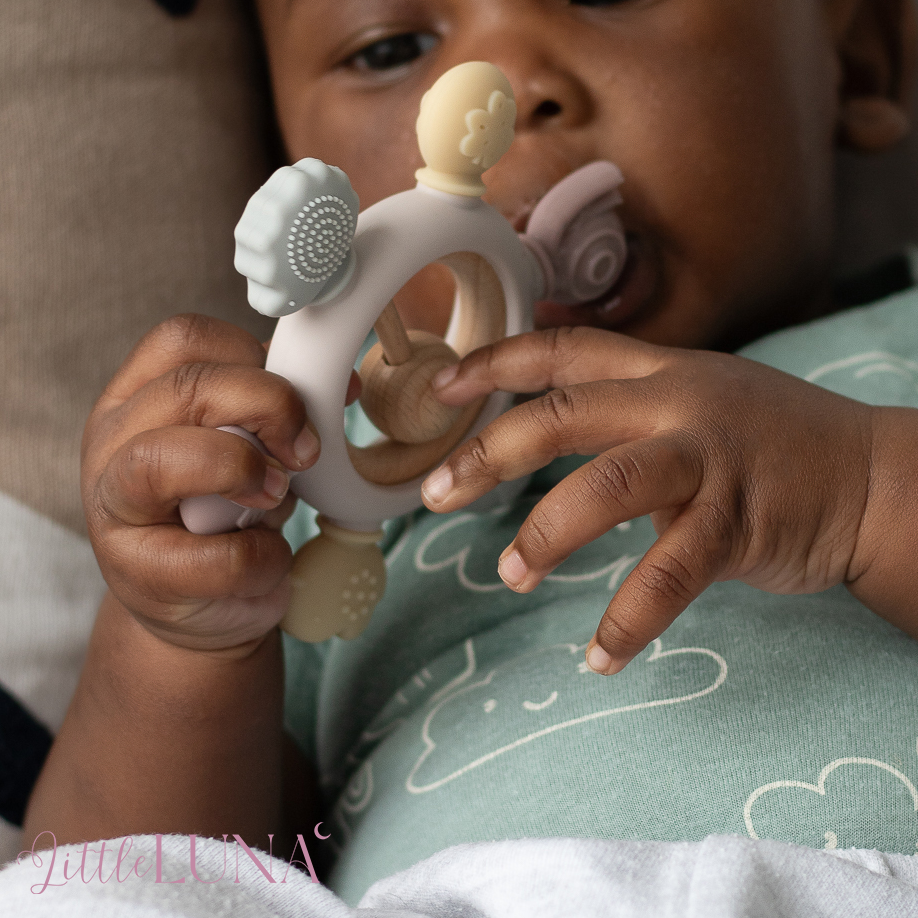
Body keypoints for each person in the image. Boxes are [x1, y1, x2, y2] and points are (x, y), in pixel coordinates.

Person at [17, 0, 918, 904]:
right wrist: (178, 644)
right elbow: (131, 882)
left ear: (864, 61)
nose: (509, 85)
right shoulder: (294, 501)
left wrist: (866, 490)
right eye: (393, 50)